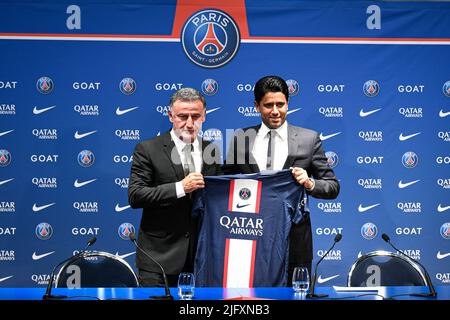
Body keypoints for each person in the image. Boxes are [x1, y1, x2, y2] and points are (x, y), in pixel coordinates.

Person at [223, 75, 340, 283]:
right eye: (268, 105)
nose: (275, 111)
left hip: (294, 240)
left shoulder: (309, 139)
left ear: (288, 103)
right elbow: (225, 184)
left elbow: (333, 187)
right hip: (249, 238)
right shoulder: (241, 138)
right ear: (257, 106)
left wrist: (310, 183)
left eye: (281, 104)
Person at [128, 88, 222, 287]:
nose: (189, 123)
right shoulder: (148, 149)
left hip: (202, 257)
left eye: (195, 116)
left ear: (204, 116)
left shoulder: (211, 149)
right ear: (170, 115)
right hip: (158, 259)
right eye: (182, 116)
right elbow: (136, 195)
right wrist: (181, 187)